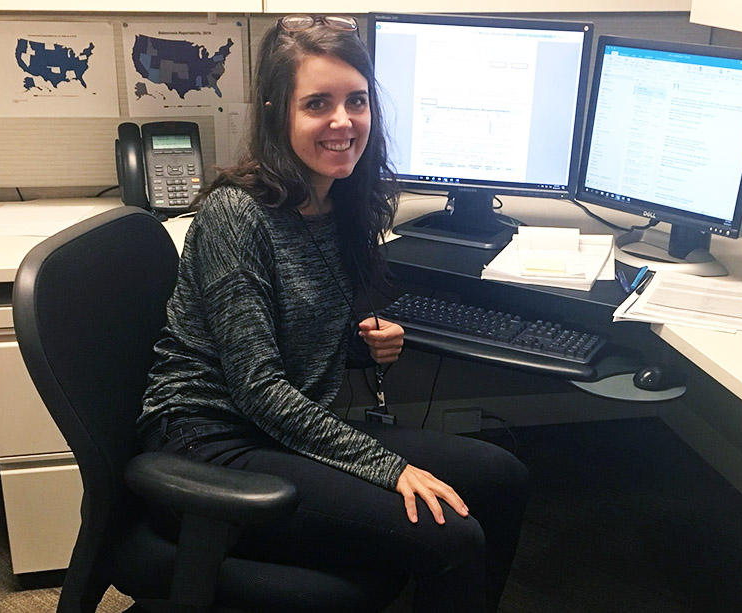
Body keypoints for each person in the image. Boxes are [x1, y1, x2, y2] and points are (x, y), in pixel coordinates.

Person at [137, 14, 529, 612]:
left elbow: (292, 328)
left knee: (502, 479)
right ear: (277, 114)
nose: (343, 121)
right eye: (317, 103)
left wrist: (359, 343)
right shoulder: (235, 215)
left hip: (282, 430)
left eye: (357, 100)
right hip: (211, 444)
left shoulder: (341, 202)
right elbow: (257, 385)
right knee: (450, 537)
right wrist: (388, 467)